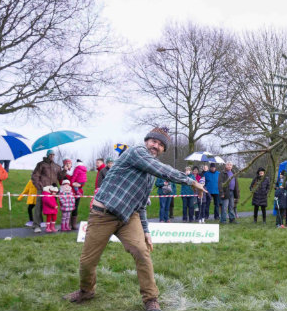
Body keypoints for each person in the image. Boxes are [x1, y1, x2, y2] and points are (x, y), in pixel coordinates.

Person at [63, 127, 205, 311]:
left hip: (128, 217)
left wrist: (146, 230)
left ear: (163, 150)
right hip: (103, 215)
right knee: (88, 261)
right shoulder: (136, 152)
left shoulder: (151, 175)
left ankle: (151, 299)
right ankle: (86, 290)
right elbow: (161, 169)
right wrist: (190, 180)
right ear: (147, 141)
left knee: (142, 252)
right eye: (154, 141)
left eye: (161, 145)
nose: (156, 146)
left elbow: (141, 205)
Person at [31, 149, 60, 233]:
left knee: (52, 208)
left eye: (53, 154)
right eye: (50, 154)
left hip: (53, 191)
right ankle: (36, 225)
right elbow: (35, 176)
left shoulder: (57, 166)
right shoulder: (41, 164)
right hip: (43, 189)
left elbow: (61, 177)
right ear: (47, 155)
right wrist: (39, 187)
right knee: (38, 207)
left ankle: (51, 226)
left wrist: (65, 169)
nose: (52, 156)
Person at [69, 159, 88, 230]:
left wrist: (74, 183)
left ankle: (73, 224)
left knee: (75, 208)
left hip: (76, 191)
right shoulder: (84, 169)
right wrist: (78, 185)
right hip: (72, 191)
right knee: (70, 208)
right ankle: (68, 224)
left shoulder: (76, 169)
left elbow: (74, 178)